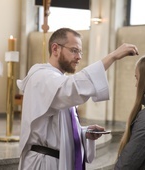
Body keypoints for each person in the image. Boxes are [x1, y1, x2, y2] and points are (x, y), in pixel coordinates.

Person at [17, 27, 138, 170]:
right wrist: (112, 56)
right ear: (55, 49)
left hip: (57, 160)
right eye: (74, 50)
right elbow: (72, 88)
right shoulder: (41, 77)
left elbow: (55, 127)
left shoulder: (58, 80)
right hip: (44, 163)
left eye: (80, 51)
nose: (79, 57)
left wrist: (82, 132)